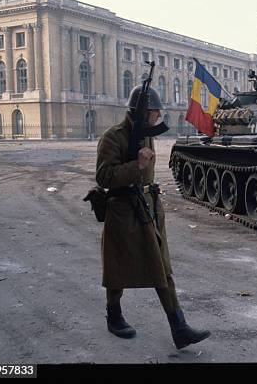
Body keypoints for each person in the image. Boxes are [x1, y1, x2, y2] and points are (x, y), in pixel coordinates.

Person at [95, 86, 210, 349]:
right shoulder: (113, 137)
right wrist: (137, 166)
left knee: (162, 268)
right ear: (141, 112)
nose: (158, 117)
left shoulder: (146, 135)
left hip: (148, 207)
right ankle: (114, 316)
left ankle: (179, 327)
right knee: (117, 267)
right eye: (154, 113)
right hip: (123, 210)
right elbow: (104, 177)